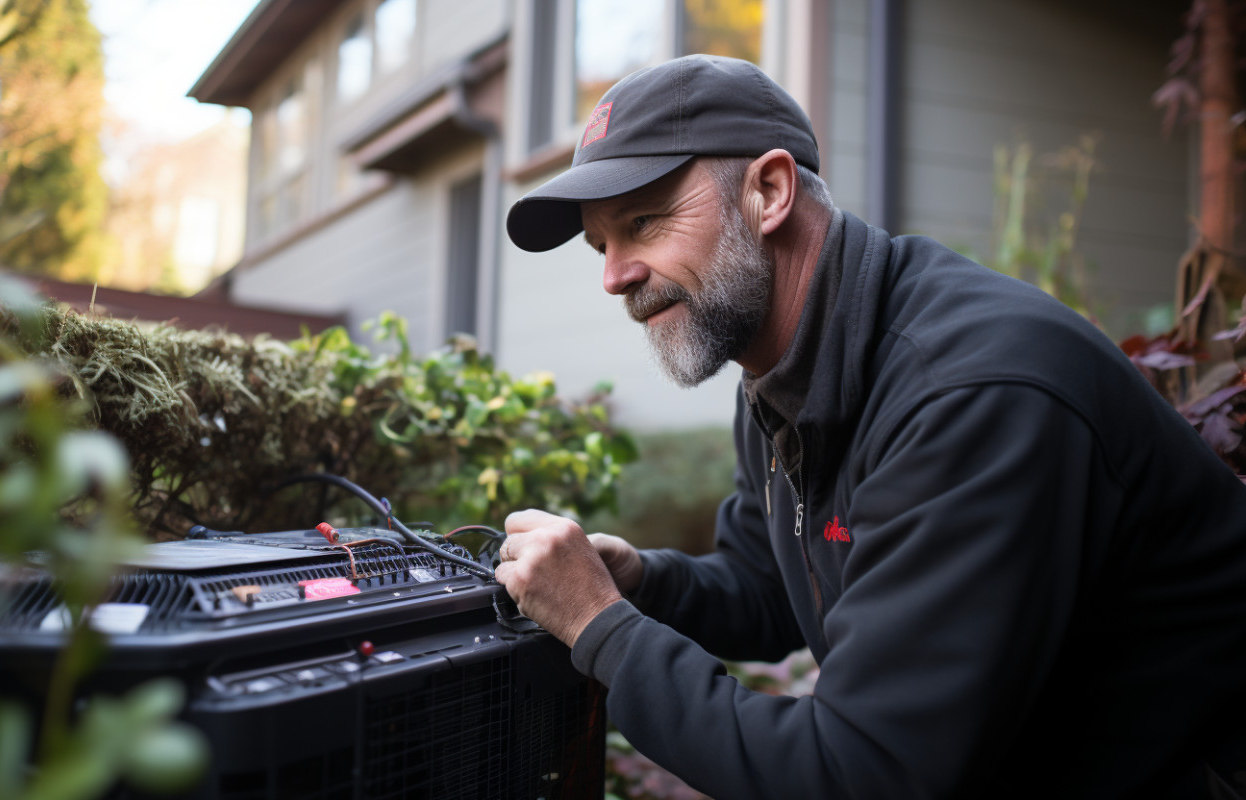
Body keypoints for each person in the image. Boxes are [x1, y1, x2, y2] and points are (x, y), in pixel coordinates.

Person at [493, 54, 1246, 798]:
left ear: (771, 191)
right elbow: (770, 586)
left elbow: (867, 773)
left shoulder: (971, 396)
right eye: (602, 245)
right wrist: (642, 584)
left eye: (644, 223)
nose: (614, 276)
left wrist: (604, 630)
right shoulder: (779, 366)